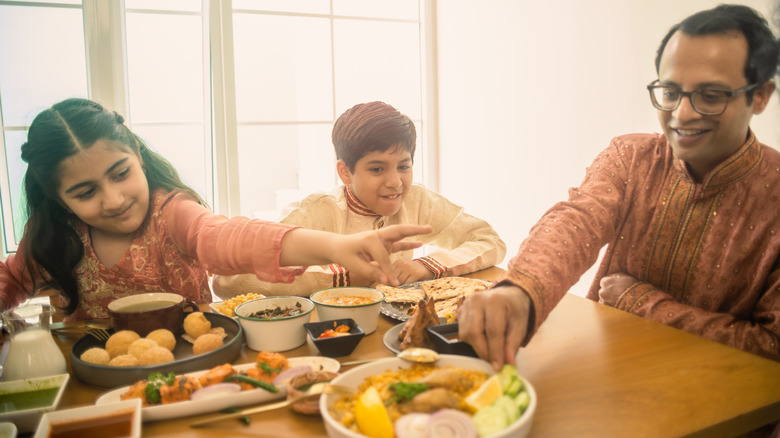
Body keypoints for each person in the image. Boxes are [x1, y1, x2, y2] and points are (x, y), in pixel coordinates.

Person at [459, 3, 780, 371]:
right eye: (670, 92)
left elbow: (771, 346)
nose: (682, 114)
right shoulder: (631, 156)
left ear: (760, 96)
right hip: (605, 381)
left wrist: (640, 300)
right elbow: (576, 221)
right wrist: (518, 292)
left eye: (711, 96)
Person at [0, 98, 431, 320]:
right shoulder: (51, 235)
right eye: (85, 191)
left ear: (134, 151)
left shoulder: (171, 212)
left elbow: (230, 237)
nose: (114, 199)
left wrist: (335, 246)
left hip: (188, 374)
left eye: (119, 173)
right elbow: (13, 279)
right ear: (58, 198)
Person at [212, 101, 506, 298]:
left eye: (404, 166)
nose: (395, 182)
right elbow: (228, 281)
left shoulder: (418, 201)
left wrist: (429, 264)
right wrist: (342, 277)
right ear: (345, 172)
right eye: (377, 169)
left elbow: (489, 240)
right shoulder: (316, 212)